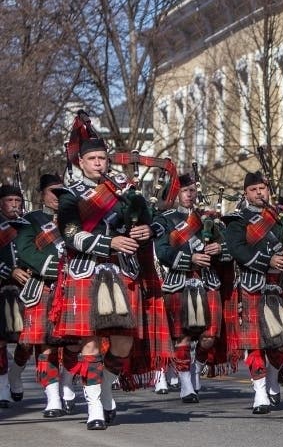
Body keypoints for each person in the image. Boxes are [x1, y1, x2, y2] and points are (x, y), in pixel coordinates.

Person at [54, 132, 155, 430]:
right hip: (86, 270)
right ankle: (94, 405)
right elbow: (71, 235)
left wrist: (145, 231)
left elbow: (149, 222)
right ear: (81, 162)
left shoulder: (124, 192)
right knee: (91, 344)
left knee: (123, 343)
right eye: (92, 159)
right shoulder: (70, 195)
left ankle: (107, 387)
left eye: (102, 158)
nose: (98, 163)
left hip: (120, 270)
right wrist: (110, 243)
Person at [225, 171, 283, 415]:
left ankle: (272, 378)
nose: (259, 193)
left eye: (262, 188)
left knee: (280, 344)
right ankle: (260, 392)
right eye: (254, 190)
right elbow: (238, 250)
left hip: (282, 285)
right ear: (246, 193)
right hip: (253, 285)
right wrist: (268, 260)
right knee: (256, 345)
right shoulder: (237, 219)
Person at [153, 173, 226, 404]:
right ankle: (186, 384)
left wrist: (218, 249)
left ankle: (196, 369)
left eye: (193, 189)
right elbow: (163, 252)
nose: (190, 194)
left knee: (209, 337)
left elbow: (225, 248)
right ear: (175, 194)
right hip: (179, 281)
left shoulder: (207, 219)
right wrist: (190, 258)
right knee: (182, 337)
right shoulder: (164, 220)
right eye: (185, 190)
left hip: (207, 281)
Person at [11, 175, 69, 417]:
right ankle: (52, 397)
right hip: (43, 286)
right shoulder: (31, 220)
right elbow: (24, 250)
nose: (57, 197)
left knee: (74, 344)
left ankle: (68, 385)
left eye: (61, 192)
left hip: (72, 286)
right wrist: (57, 267)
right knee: (42, 346)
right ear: (42, 195)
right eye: (52, 192)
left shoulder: (76, 219)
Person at [0, 183, 25, 406]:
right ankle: (3, 388)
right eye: (10, 200)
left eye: (17, 201)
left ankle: (15, 375)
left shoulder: (27, 224)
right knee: (0, 341)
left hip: (26, 288)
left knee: (26, 340)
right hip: (2, 286)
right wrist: (8, 271)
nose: (14, 205)